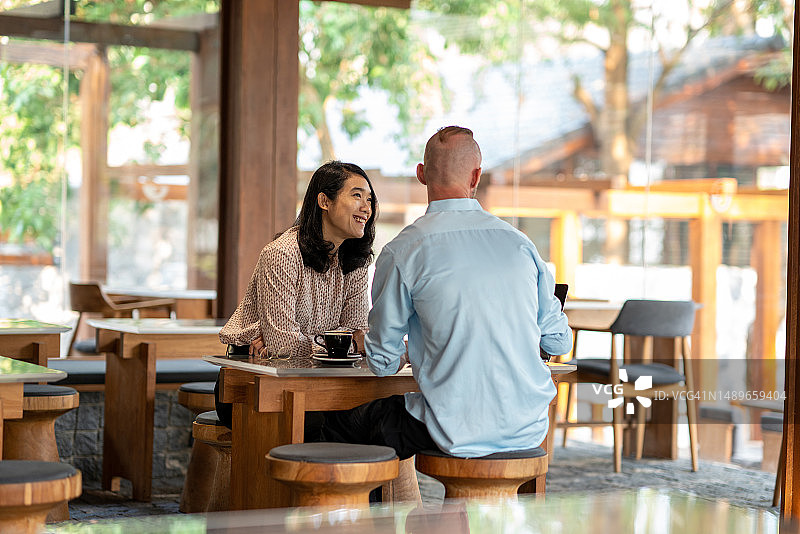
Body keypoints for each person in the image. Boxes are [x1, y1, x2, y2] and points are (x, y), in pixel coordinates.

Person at [322, 126, 573, 459]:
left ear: (421, 174)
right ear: (476, 176)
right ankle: (438, 511)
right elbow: (558, 343)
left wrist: (388, 345)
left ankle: (371, 513)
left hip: (452, 430)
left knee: (328, 424)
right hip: (527, 427)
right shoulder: (520, 245)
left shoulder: (402, 251)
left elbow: (383, 363)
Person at [214, 160, 377, 427]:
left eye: (369, 199)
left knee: (372, 414)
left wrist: (305, 344)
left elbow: (357, 333)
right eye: (357, 195)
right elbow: (286, 345)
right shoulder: (282, 254)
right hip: (251, 381)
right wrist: (342, 345)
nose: (366, 208)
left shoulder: (355, 262)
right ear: (324, 201)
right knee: (328, 424)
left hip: (318, 383)